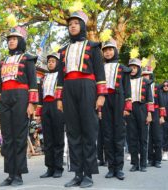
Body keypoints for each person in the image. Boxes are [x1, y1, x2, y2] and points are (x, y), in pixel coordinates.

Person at [56, 10, 107, 188]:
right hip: (69, 89)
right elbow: (60, 77)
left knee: (88, 131)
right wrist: (59, 97)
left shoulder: (93, 47)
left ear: (82, 26)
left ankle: (88, 174)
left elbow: (100, 72)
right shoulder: (63, 50)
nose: (73, 26)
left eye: (76, 23)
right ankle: (77, 173)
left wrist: (101, 95)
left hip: (87, 87)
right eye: (70, 24)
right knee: (73, 132)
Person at [0, 25, 38, 187]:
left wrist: (32, 103)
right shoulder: (3, 61)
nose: (11, 41)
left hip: (21, 97)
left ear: (20, 41)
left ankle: (18, 174)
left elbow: (33, 83)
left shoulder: (28, 59)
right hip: (5, 97)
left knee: (19, 137)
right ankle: (10, 174)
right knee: (7, 137)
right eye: (9, 39)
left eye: (14, 39)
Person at [100, 40, 132, 180]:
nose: (107, 52)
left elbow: (128, 88)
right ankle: (111, 168)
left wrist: (127, 107)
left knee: (118, 135)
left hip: (119, 99)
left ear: (115, 51)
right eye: (105, 50)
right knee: (107, 135)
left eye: (110, 49)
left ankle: (119, 168)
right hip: (105, 100)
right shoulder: (99, 68)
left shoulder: (122, 68)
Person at [36, 52, 65, 178]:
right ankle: (50, 168)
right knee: (47, 139)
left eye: (53, 61)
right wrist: (38, 113)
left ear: (58, 63)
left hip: (57, 106)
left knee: (58, 138)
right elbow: (39, 97)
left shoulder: (62, 76)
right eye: (49, 62)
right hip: (46, 107)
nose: (51, 63)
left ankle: (58, 168)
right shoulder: (44, 77)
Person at [126, 58, 154, 172]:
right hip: (130, 109)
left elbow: (150, 99)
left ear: (138, 68)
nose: (132, 69)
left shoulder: (145, 81)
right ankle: (134, 163)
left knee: (143, 137)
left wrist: (149, 114)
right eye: (130, 67)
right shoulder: (125, 81)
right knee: (132, 137)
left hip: (142, 108)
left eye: (135, 67)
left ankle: (143, 163)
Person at [142, 66, 166, 168]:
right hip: (145, 112)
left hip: (156, 112)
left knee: (157, 137)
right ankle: (150, 159)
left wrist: (162, 116)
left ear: (150, 75)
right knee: (148, 137)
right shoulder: (140, 85)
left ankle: (157, 160)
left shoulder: (156, 86)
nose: (145, 76)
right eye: (143, 75)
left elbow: (161, 102)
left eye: (146, 75)